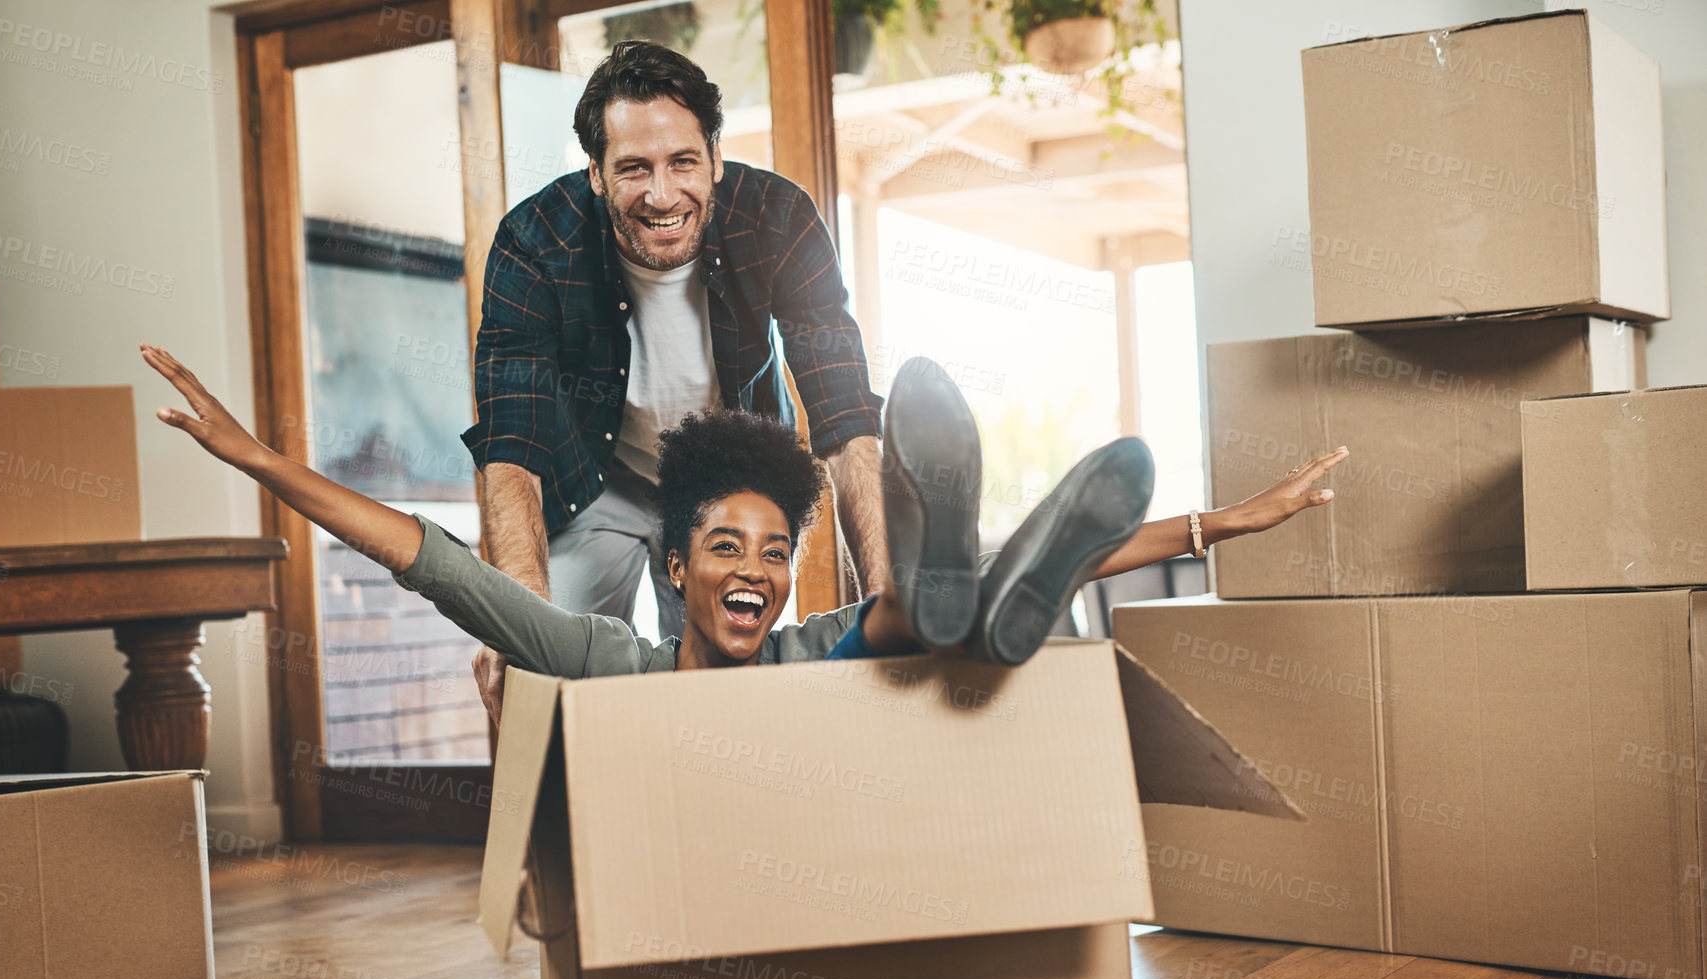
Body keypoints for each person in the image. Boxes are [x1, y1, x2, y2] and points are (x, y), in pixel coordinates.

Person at [141, 345, 1349, 679]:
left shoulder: (803, 640)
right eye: (727, 545)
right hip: (861, 662)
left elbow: (1077, 576)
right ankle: (960, 588)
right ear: (675, 569)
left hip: (868, 650)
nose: (756, 571)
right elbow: (434, 561)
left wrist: (1218, 526)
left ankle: (954, 582)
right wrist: (255, 457)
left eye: (775, 554)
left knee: (903, 627)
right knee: (928, 621)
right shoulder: (602, 661)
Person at [465, 42, 892, 713]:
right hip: (591, 480)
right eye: (633, 168)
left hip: (719, 485)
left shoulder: (777, 219)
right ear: (597, 174)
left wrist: (887, 600)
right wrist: (514, 614)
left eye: (683, 162)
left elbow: (842, 414)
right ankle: (567, 815)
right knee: (547, 672)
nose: (662, 195)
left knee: (722, 693)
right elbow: (510, 440)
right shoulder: (534, 240)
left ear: (715, 158)